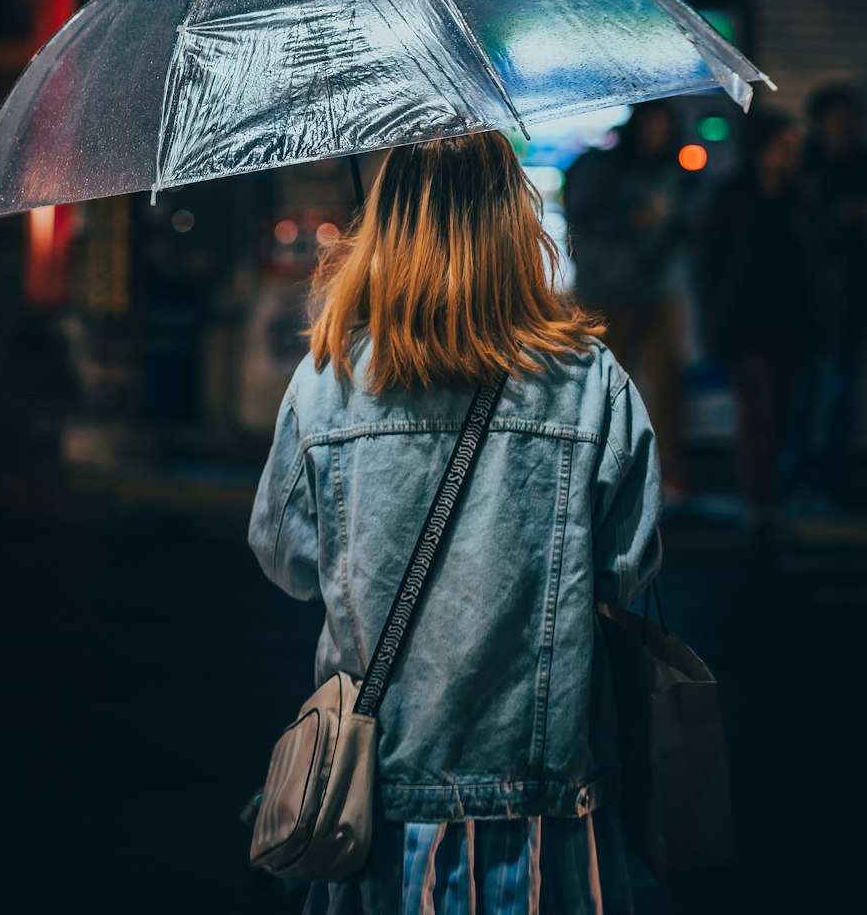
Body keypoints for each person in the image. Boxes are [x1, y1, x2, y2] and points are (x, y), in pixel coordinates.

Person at [249, 131, 662, 914]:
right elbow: (628, 564)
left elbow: (289, 560)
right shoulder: (590, 382)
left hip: (376, 802)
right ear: (514, 221)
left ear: (387, 222)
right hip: (547, 803)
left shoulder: (328, 379)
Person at [696, 112, 815, 548]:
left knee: (782, 415)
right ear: (763, 150)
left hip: (794, 323)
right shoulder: (733, 197)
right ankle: (757, 502)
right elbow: (710, 266)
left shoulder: (801, 197)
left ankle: (770, 500)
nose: (791, 156)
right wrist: (713, 322)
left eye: (794, 148)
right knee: (758, 413)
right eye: (783, 146)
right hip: (746, 325)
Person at [784, 84, 867, 503]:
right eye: (836, 118)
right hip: (805, 302)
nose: (844, 127)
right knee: (799, 397)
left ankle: (831, 478)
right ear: (820, 122)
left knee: (840, 396)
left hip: (850, 302)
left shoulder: (864, 161)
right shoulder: (804, 163)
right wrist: (848, 215)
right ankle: (789, 476)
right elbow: (799, 229)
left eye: (850, 119)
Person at [563, 101, 692, 498]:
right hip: (606, 290)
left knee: (664, 379)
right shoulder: (600, 166)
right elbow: (580, 219)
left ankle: (666, 467)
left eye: (665, 126)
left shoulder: (673, 171)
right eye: (652, 125)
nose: (658, 134)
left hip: (654, 288)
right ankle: (593, 465)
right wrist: (628, 218)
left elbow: (679, 225)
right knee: (601, 380)